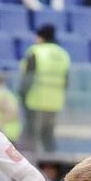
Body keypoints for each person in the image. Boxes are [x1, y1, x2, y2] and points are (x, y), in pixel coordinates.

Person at [18, 24, 70, 156]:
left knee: (30, 136)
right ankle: (52, 168)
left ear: (41, 37)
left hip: (35, 101)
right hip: (55, 103)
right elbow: (66, 81)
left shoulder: (36, 52)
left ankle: (30, 167)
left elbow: (28, 78)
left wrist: (22, 96)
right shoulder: (63, 54)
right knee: (48, 137)